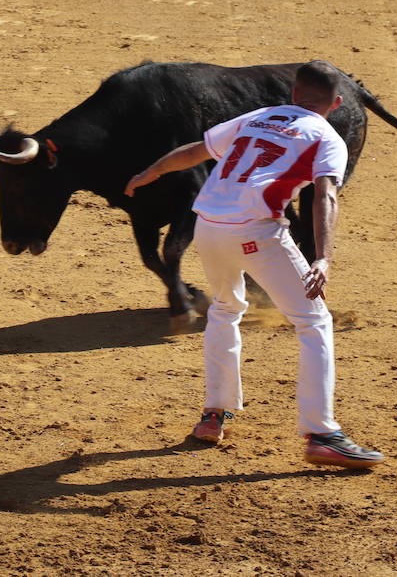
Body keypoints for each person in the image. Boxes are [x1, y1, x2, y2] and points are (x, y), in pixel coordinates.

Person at [124, 60, 383, 469]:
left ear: (294, 94)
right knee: (313, 321)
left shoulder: (259, 116)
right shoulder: (327, 137)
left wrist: (149, 172)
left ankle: (213, 415)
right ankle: (322, 432)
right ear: (335, 103)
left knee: (225, 309)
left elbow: (195, 151)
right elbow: (325, 196)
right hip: (257, 232)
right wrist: (323, 257)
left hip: (207, 226)